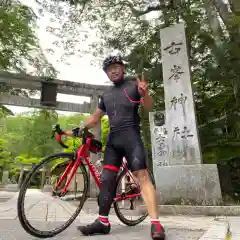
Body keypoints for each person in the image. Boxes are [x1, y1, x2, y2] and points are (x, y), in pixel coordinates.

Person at [65, 55, 165, 240]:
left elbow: (148, 108)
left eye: (116, 66)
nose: (113, 70)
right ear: (106, 73)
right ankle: (102, 222)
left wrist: (146, 94)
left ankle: (156, 224)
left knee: (142, 177)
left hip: (131, 138)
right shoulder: (107, 95)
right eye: (109, 69)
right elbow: (95, 119)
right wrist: (74, 130)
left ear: (123, 68)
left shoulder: (133, 87)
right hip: (113, 142)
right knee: (107, 179)